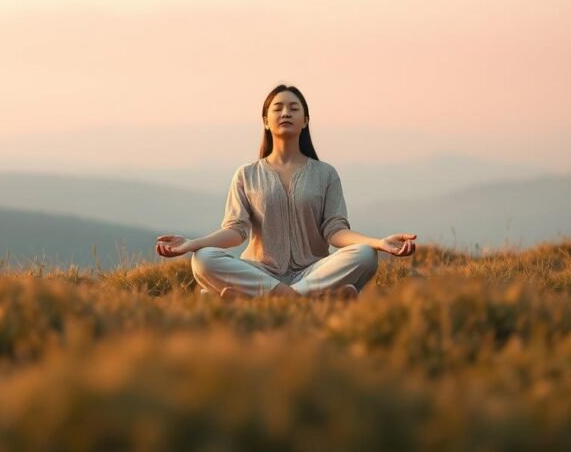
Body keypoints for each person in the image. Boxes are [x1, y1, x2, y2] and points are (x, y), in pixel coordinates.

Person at [156, 84, 417, 301]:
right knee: (203, 259)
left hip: (313, 270)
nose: (285, 113)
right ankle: (314, 299)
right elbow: (235, 232)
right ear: (265, 121)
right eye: (277, 108)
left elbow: (335, 231)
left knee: (364, 255)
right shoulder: (247, 174)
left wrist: (378, 243)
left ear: (305, 121)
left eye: (294, 108)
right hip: (260, 271)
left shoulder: (325, 173)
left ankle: (256, 299)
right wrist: (192, 244)